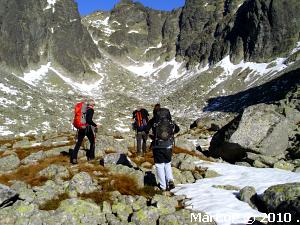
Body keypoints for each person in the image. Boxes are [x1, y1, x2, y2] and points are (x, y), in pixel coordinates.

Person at [146, 104, 180, 191]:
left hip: (157, 145)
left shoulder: (153, 121)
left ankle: (163, 186)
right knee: (167, 163)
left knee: (159, 165)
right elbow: (177, 129)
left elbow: (146, 130)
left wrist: (151, 135)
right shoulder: (169, 120)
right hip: (168, 145)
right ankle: (170, 181)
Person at [70, 99, 98, 164]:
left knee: (78, 143)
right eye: (94, 104)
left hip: (81, 127)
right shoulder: (91, 110)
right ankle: (91, 157)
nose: (94, 105)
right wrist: (95, 125)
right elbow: (89, 120)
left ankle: (74, 158)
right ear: (92, 104)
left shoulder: (85, 109)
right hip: (87, 128)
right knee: (92, 141)